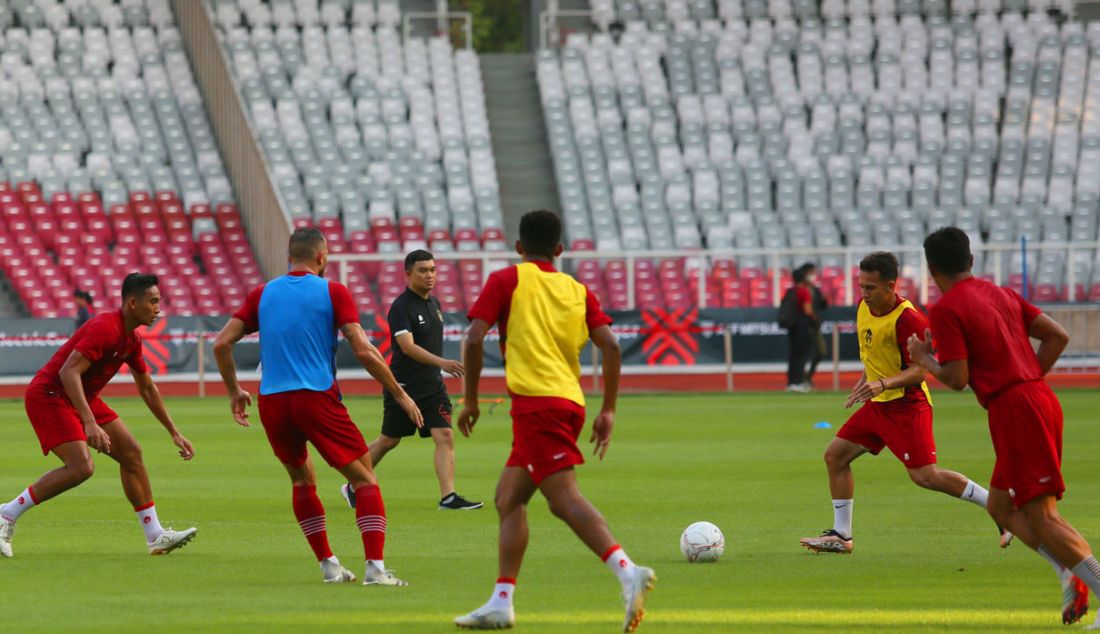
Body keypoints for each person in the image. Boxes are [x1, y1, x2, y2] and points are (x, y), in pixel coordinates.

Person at [452, 210, 656, 632]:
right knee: (510, 498)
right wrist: (609, 409)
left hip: (537, 405)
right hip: (567, 402)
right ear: (560, 250)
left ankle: (627, 571)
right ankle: (501, 602)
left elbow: (472, 338)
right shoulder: (578, 289)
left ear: (519, 248)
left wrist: (469, 400)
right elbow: (612, 347)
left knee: (563, 499)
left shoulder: (507, 279)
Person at [213, 227, 424, 587]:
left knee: (301, 481)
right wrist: (400, 394)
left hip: (273, 401)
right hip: (315, 397)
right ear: (322, 257)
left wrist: (235, 391)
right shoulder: (333, 291)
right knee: (364, 479)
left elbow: (221, 344)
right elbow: (362, 349)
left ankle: (328, 564)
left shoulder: (262, 294)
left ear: (289, 255)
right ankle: (375, 569)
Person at [907, 227, 1096, 627]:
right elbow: (1057, 336)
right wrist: (1028, 377)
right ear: (970, 261)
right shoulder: (1001, 292)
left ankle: (1091, 580)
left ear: (931, 268)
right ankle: (1068, 571)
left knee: (1042, 514)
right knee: (999, 505)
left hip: (1016, 408)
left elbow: (956, 378)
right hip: (1036, 398)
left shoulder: (946, 309)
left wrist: (925, 359)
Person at [800, 252, 1007, 555]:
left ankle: (999, 508)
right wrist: (867, 377)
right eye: (861, 286)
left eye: (870, 287)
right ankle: (842, 535)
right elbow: (878, 353)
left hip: (907, 406)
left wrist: (881, 383)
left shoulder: (908, 318)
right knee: (835, 457)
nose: (864, 293)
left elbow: (920, 370)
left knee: (925, 476)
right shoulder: (864, 307)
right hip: (879, 404)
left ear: (890, 285)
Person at [0, 273, 197, 558]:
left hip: (81, 397)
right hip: (50, 395)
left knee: (131, 452)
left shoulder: (132, 339)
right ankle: (7, 513)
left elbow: (147, 387)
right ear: (132, 303)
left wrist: (174, 431)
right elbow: (68, 372)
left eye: (159, 302)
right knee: (81, 467)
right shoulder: (106, 328)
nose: (158, 308)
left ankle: (155, 536)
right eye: (153, 302)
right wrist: (89, 422)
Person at [340, 249, 481, 511]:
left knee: (445, 435)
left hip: (433, 386)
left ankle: (448, 498)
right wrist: (442, 363)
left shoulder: (434, 304)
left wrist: (438, 370)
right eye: (423, 270)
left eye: (432, 270)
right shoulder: (401, 307)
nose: (429, 275)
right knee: (388, 441)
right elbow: (407, 346)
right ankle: (352, 484)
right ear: (408, 274)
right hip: (404, 388)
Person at [785, 267, 816, 392]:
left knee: (793, 355)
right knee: (802, 355)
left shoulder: (790, 291)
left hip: (792, 325)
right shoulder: (804, 291)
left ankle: (791, 382)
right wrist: (814, 319)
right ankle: (798, 382)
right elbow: (807, 310)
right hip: (802, 326)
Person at [799, 262, 829, 388]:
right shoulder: (799, 289)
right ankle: (801, 379)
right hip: (803, 326)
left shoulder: (815, 289)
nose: (813, 275)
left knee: (821, 351)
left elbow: (822, 305)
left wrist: (825, 299)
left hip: (815, 326)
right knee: (802, 354)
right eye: (811, 273)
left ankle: (808, 376)